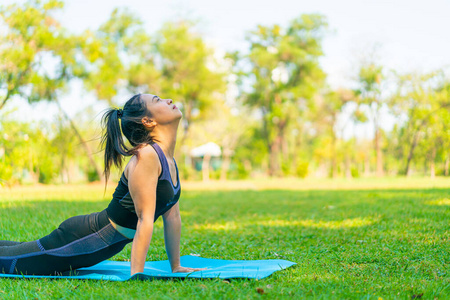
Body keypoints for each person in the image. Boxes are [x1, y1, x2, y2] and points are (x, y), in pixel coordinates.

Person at [0, 93, 206, 276]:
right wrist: (137, 274)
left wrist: (176, 266)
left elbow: (173, 216)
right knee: (11, 261)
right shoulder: (147, 156)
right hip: (83, 238)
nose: (168, 100)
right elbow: (145, 218)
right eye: (157, 100)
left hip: (98, 245)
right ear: (148, 120)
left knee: (21, 250)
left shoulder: (169, 161)